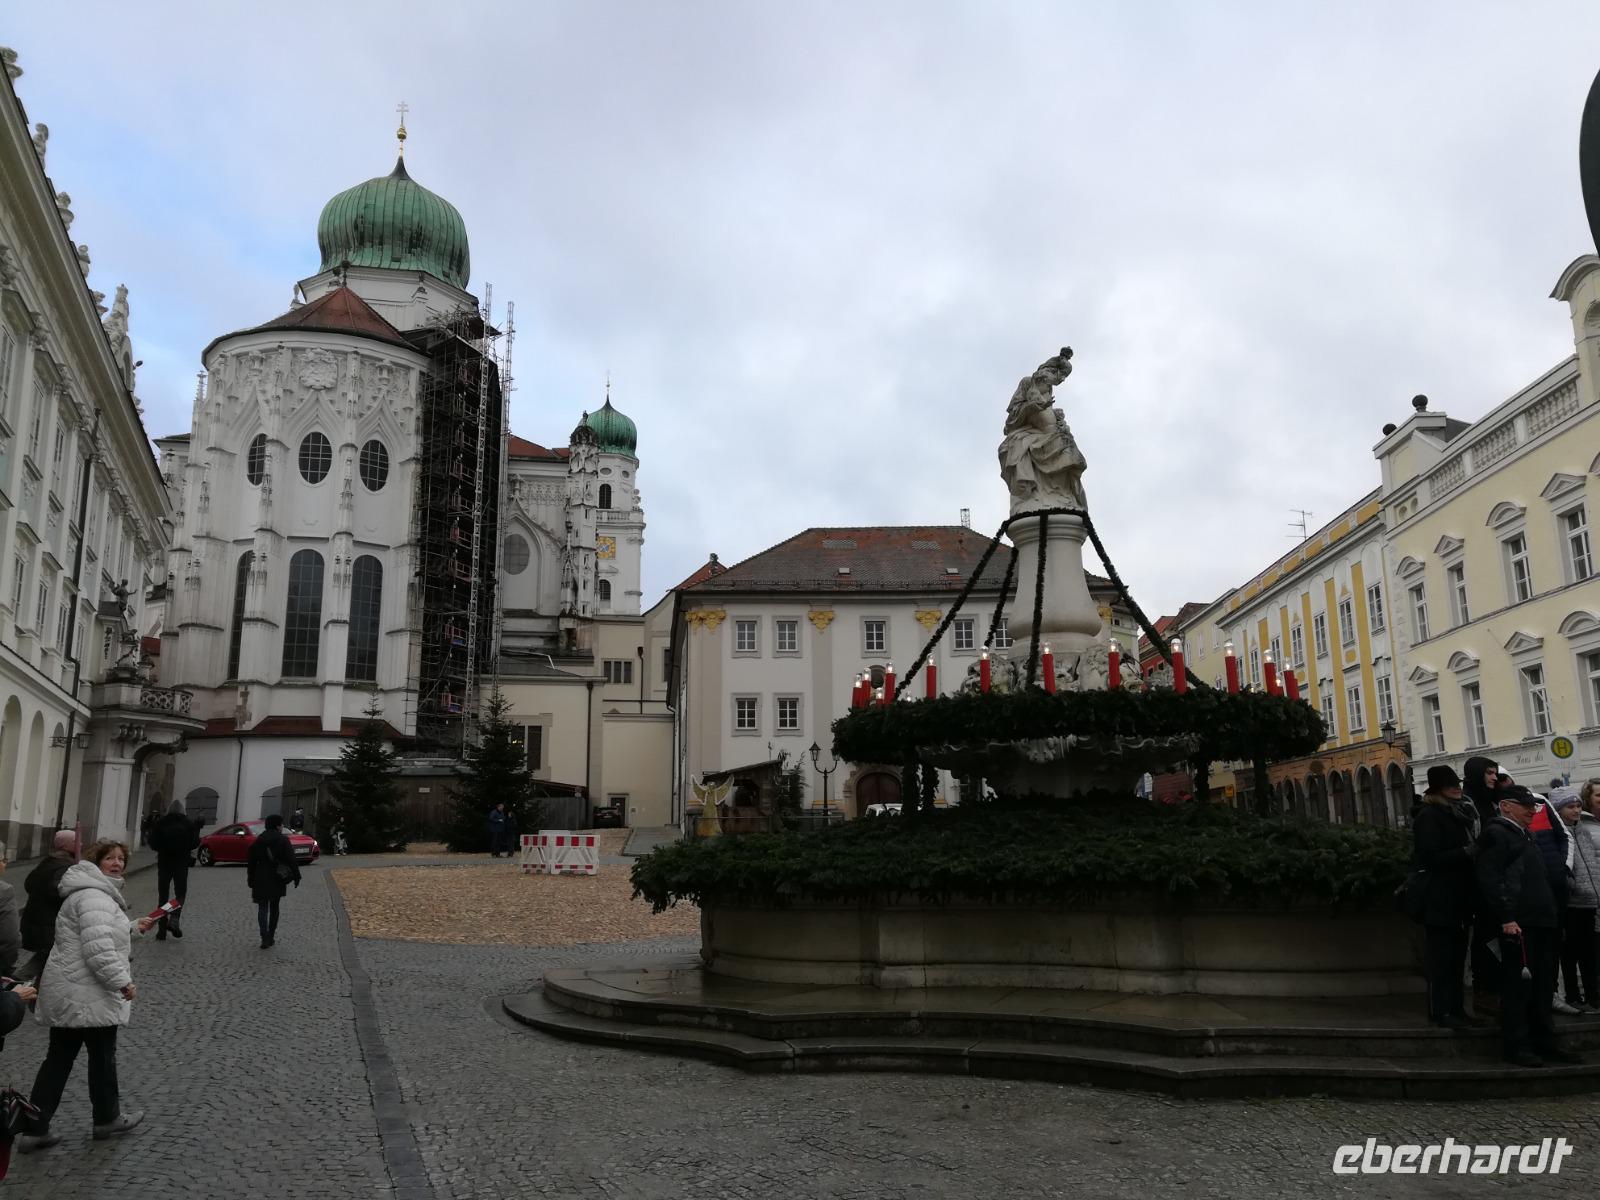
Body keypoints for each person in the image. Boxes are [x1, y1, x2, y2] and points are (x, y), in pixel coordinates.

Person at [19, 840, 155, 1150]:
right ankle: (106, 1118)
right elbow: (99, 951)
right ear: (97, 861)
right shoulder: (95, 896)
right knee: (101, 1057)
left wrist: (133, 927)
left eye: (121, 859)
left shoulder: (91, 893)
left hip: (73, 991)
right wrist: (123, 983)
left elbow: (97, 935)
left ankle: (35, 1128)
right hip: (88, 993)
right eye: (110, 858)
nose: (117, 863)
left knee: (60, 1060)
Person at [1475, 785, 1581, 1067]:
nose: (1532, 811)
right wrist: (1507, 917)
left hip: (1541, 919)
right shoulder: (1497, 834)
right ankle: (1518, 1045)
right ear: (1506, 806)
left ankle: (1543, 1040)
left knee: (1544, 986)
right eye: (1525, 806)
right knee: (1519, 988)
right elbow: (1490, 878)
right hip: (1519, 924)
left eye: (1533, 806)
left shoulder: (1525, 834)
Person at [1411, 765, 1480, 1029]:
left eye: (1457, 783)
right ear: (1439, 789)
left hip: (1459, 896)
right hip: (1439, 898)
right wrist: (1466, 852)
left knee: (1457, 958)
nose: (1457, 787)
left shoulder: (1458, 813)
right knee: (1441, 959)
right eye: (1450, 785)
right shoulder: (1429, 816)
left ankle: (1456, 1008)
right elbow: (1430, 857)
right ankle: (1440, 1010)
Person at [1527, 783, 1577, 1014]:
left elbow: (1564, 836)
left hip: (1553, 888)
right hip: (1528, 895)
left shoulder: (1539, 802)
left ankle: (1553, 993)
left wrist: (1563, 868)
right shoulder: (1500, 810)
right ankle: (1541, 997)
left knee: (1554, 944)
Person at [19, 831, 76, 989]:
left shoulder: (49, 861)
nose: (81, 844)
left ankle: (30, 992)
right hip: (48, 925)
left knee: (45, 960)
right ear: (66, 845)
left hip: (37, 922)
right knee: (46, 960)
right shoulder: (65, 865)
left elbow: (29, 883)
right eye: (76, 841)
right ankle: (18, 986)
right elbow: (57, 892)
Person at [1560, 786, 1600, 1012]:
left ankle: (1593, 995)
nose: (1575, 810)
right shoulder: (1560, 832)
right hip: (1572, 902)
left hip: (1590, 900)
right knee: (1570, 952)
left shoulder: (1583, 830)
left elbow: (1592, 862)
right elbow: (1563, 866)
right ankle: (1573, 995)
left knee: (1589, 953)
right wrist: (1574, 887)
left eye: (1577, 806)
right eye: (1570, 806)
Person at [246, 813, 301, 950]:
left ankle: (264, 937)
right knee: (274, 907)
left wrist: (250, 878)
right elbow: (291, 860)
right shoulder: (283, 840)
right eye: (281, 824)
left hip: (260, 876)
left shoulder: (259, 840)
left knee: (262, 908)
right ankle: (270, 936)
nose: (282, 827)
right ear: (278, 826)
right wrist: (296, 876)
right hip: (277, 877)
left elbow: (251, 862)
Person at [147, 798, 198, 940]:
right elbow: (194, 843)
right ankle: (174, 918)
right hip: (181, 863)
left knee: (162, 896)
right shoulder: (188, 824)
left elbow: (153, 843)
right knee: (180, 894)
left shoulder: (161, 823)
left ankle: (161, 930)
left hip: (164, 863)